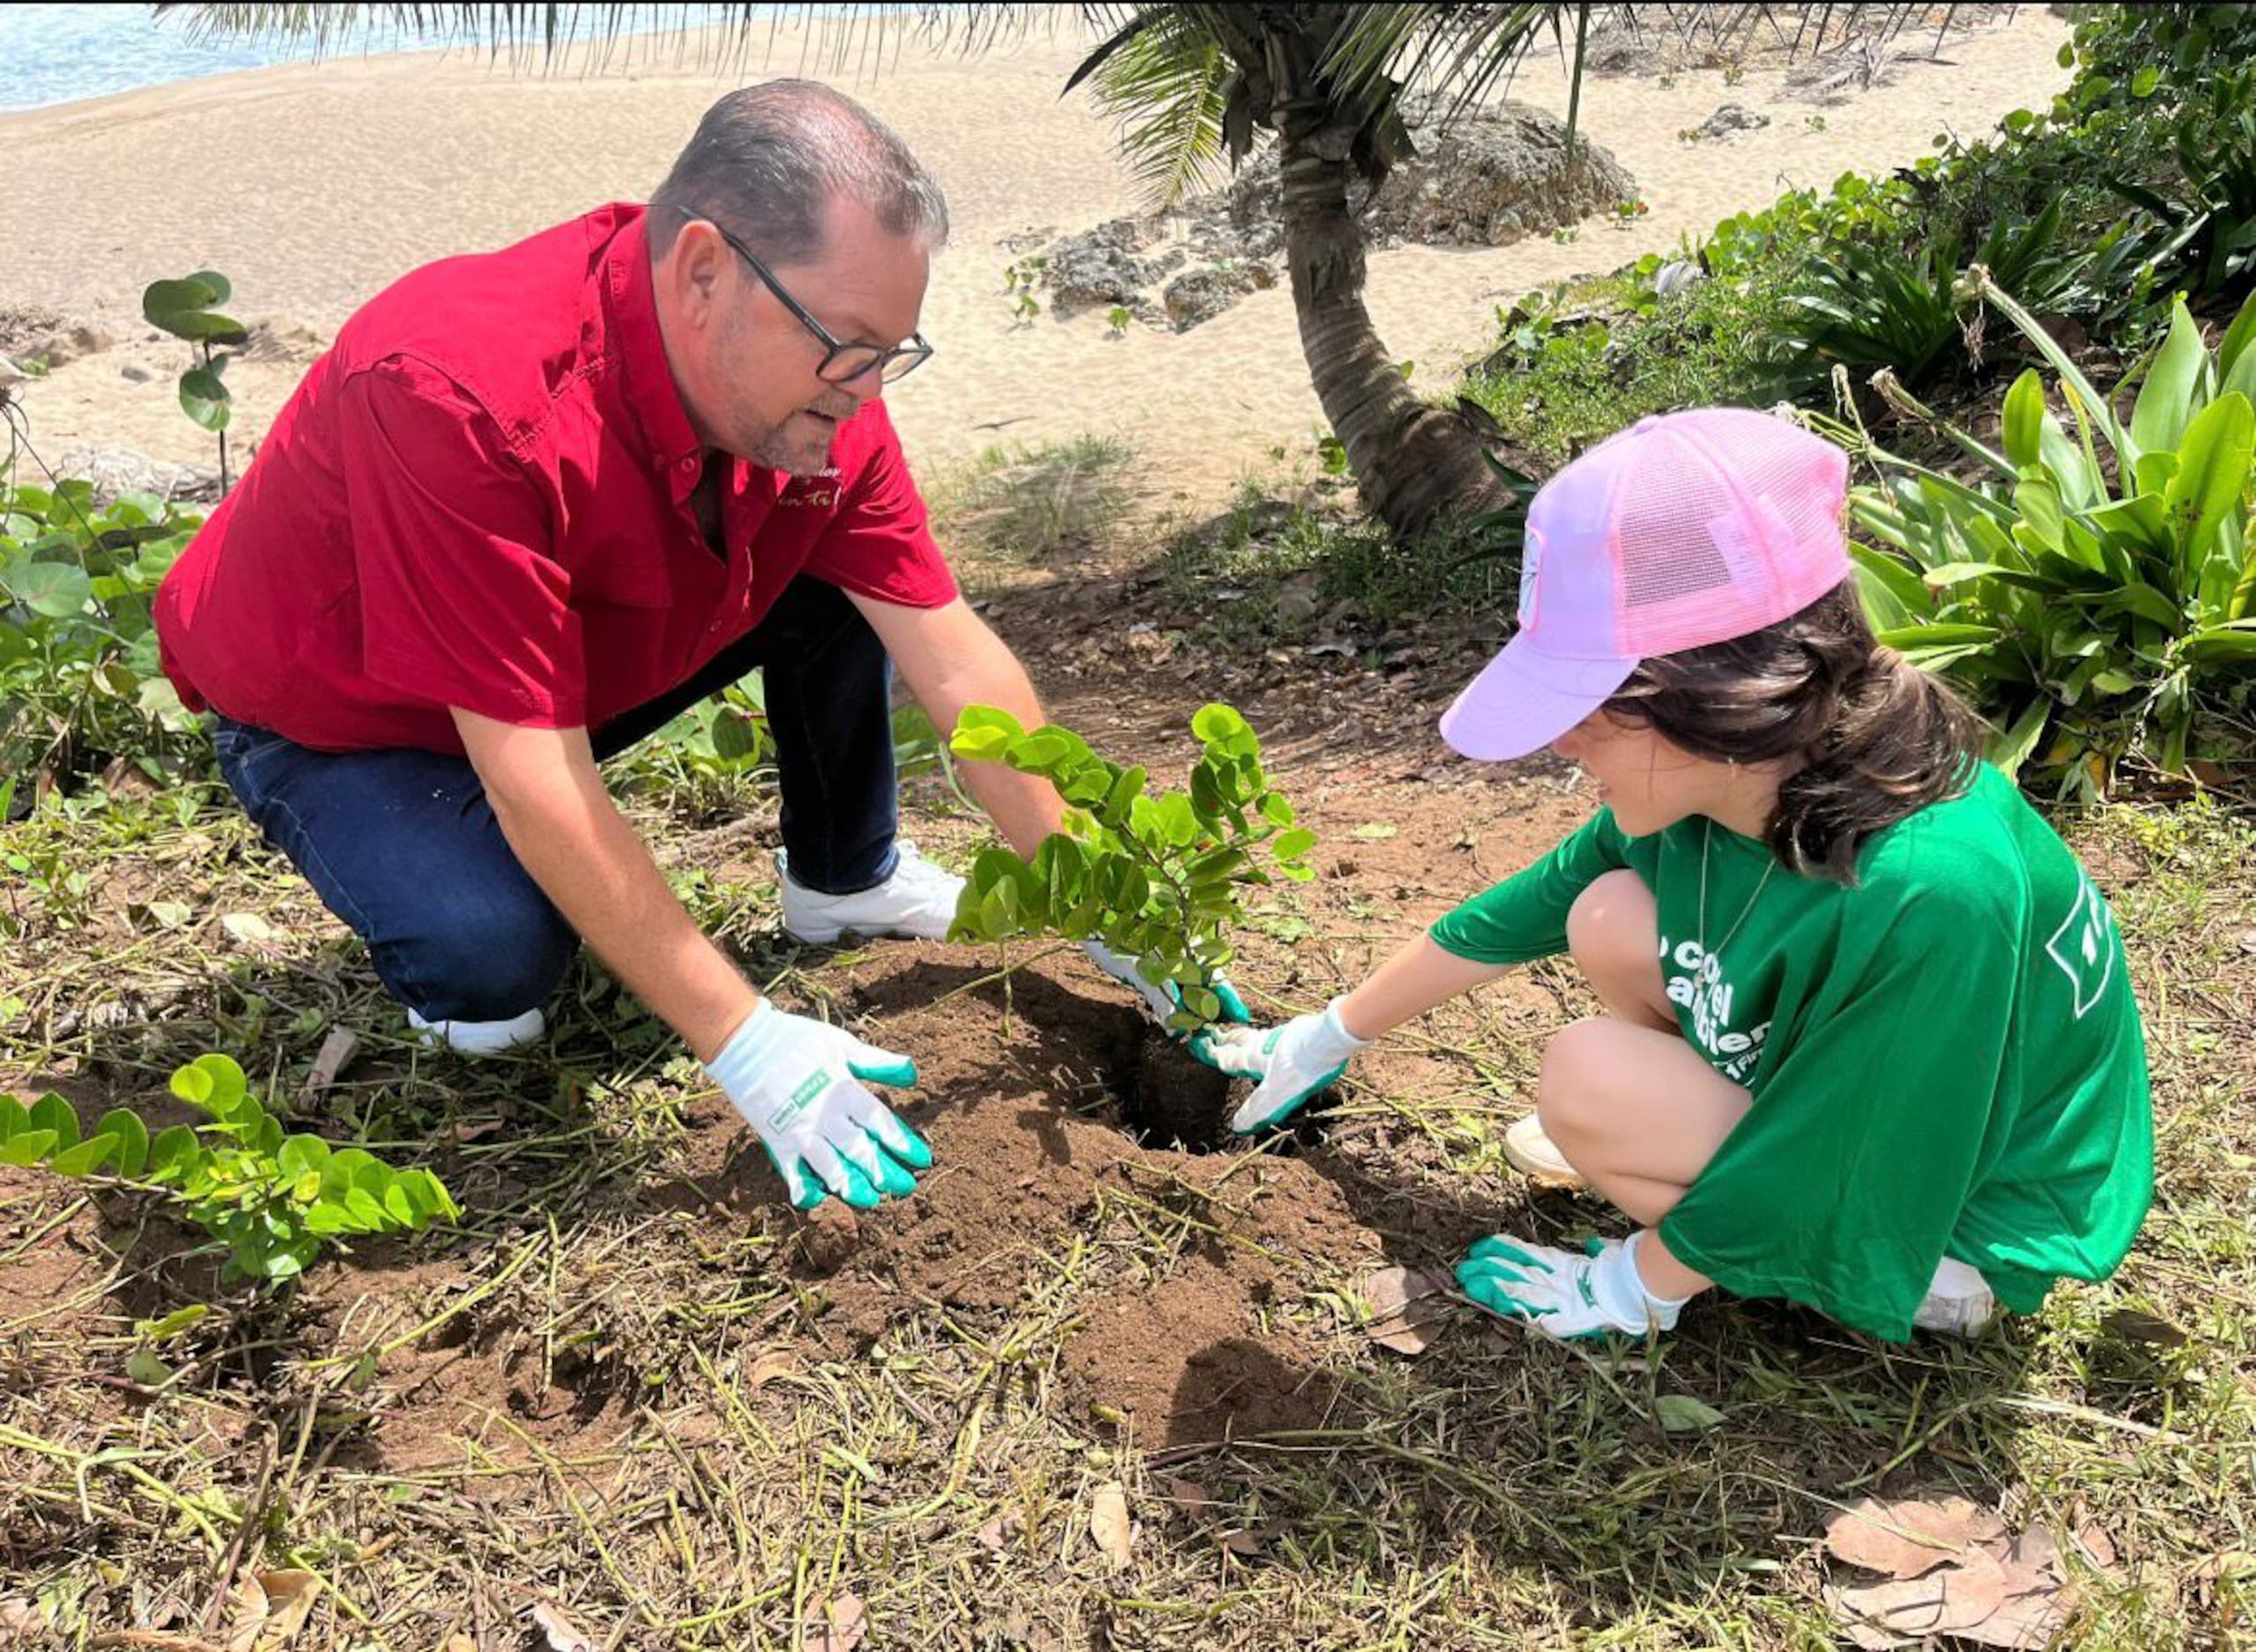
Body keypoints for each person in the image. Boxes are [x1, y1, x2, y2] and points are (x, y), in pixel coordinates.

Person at [154, 81, 1202, 1218]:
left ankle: (845, 880)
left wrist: (1117, 912)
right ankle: (434, 899)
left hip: (559, 660)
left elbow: (952, 658)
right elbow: (530, 771)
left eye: (889, 353)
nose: (863, 392)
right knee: (494, 976)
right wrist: (745, 1040)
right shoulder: (454, 389)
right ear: (704, 271)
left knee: (831, 566)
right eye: (845, 348)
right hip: (342, 717)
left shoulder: (809, 394)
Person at [1203, 408, 2153, 1343]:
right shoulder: (1755, 776)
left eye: (1592, 703)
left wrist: (1630, 1285)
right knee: (1607, 914)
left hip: (1958, 1205)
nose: (1562, 740)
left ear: (1719, 696)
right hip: (1892, 1104)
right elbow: (1518, 915)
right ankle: (1693, 1152)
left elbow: (1836, 1148)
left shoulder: (1929, 891)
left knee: (1587, 1078)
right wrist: (1329, 1033)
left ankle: (1911, 1285)